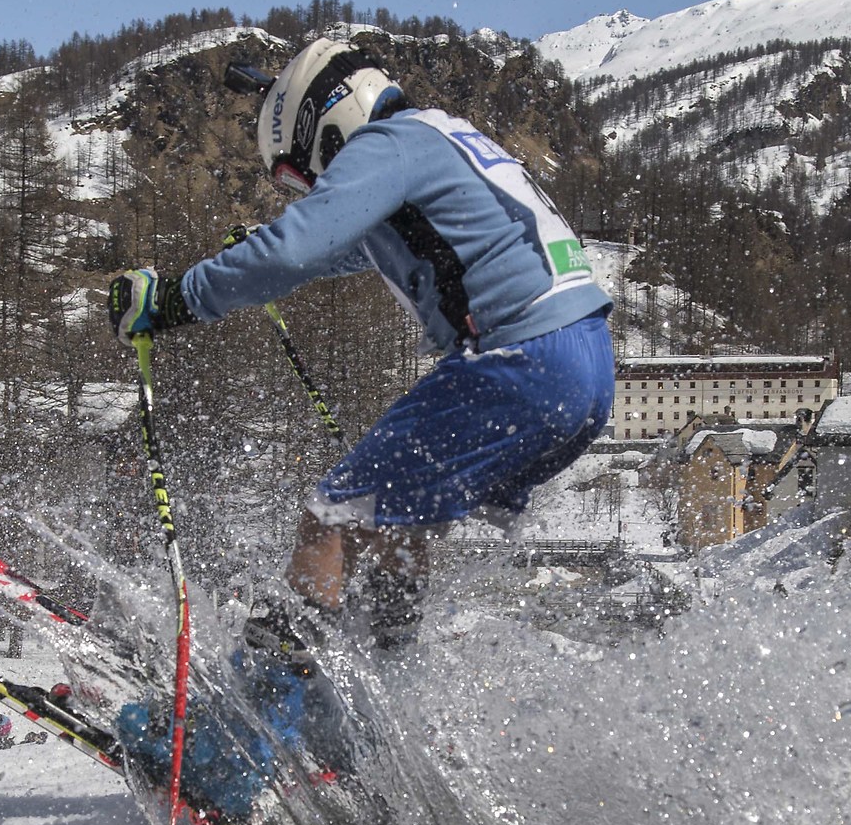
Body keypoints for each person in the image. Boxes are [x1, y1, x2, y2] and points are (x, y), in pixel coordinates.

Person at [106, 36, 614, 642]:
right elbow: (360, 248)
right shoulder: (445, 138)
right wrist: (253, 259)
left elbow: (299, 249)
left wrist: (173, 301)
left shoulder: (388, 143)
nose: (316, 186)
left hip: (524, 359)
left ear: (323, 125)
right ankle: (386, 667)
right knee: (397, 524)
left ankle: (279, 701)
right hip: (585, 364)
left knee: (330, 516)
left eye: (306, 176)